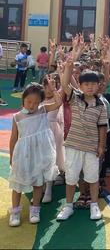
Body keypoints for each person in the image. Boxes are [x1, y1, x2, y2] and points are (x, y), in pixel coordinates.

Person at [56, 36, 109, 222]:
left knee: (92, 177)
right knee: (71, 177)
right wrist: (71, 60)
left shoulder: (101, 104)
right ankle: (68, 205)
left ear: (98, 86)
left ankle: (94, 205)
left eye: (93, 84)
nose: (89, 87)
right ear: (81, 85)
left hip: (91, 147)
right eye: (86, 84)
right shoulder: (75, 97)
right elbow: (64, 84)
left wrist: (101, 146)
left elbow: (103, 127)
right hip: (73, 145)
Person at [9, 83, 63, 226]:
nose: (32, 105)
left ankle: (35, 210)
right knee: (18, 184)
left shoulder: (43, 110)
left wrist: (53, 90)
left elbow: (58, 102)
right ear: (23, 100)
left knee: (38, 183)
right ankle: (15, 212)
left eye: (36, 102)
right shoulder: (17, 117)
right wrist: (11, 157)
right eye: (29, 102)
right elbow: (13, 139)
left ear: (41, 102)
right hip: (24, 155)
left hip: (40, 154)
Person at [41, 74, 65, 204]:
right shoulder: (38, 97)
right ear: (43, 86)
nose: (51, 88)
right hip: (39, 132)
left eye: (54, 85)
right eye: (48, 86)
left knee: (51, 159)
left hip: (53, 132)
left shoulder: (57, 96)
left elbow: (59, 101)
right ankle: (42, 187)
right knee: (41, 160)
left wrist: (55, 88)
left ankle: (49, 188)